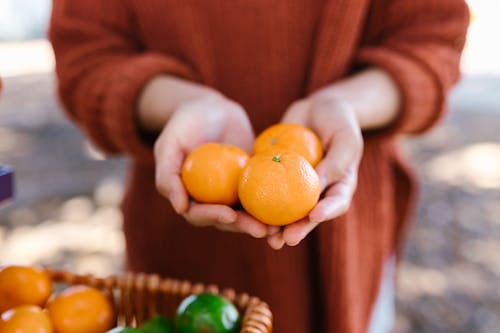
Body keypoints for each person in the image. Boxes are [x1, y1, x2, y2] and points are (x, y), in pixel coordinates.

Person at [49, 1, 469, 332]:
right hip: (180, 245)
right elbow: (86, 56)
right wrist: (181, 104)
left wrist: (344, 106)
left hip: (353, 242)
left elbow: (432, 40)